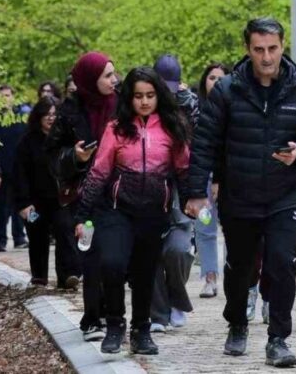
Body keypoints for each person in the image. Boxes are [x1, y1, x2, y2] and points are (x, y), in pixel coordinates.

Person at [184, 17, 296, 367]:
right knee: (241, 267)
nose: (266, 57)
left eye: (273, 49)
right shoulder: (227, 90)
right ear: (248, 50)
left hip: (284, 195)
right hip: (240, 195)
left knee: (281, 264)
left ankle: (278, 339)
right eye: (259, 49)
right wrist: (196, 192)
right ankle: (237, 322)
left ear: (282, 47)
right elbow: (204, 142)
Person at [73, 67, 191, 355]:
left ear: (158, 96)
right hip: (117, 211)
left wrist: (193, 201)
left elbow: (184, 171)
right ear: (130, 98)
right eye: (138, 96)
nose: (145, 102)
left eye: (150, 95)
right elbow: (99, 172)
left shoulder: (172, 127)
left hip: (154, 212)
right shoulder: (116, 128)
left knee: (144, 273)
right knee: (112, 263)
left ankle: (142, 330)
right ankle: (115, 324)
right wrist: (82, 216)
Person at [46, 51, 119, 341]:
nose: (114, 80)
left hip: (119, 191)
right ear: (90, 80)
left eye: (115, 73)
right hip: (84, 195)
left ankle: (117, 316)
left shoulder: (123, 104)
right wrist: (75, 156)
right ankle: (93, 318)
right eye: (107, 76)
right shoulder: (70, 110)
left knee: (114, 256)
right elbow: (52, 155)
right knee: (91, 255)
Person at [148, 54, 200, 333]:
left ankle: (177, 300)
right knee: (152, 250)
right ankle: (158, 313)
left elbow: (200, 143)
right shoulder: (143, 102)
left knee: (178, 250)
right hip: (149, 185)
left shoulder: (190, 105)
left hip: (181, 186)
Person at [16, 96, 82, 289]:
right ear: (38, 116)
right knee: (37, 234)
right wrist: (23, 203)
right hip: (35, 202)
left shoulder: (66, 139)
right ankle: (39, 276)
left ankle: (68, 275)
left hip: (60, 199)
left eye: (55, 114)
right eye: (47, 114)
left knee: (64, 230)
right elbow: (20, 174)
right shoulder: (27, 142)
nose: (51, 118)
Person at [193, 62, 228, 299]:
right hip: (202, 180)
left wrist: (219, 177)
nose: (215, 81)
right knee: (204, 228)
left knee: (234, 230)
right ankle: (209, 277)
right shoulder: (195, 109)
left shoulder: (234, 108)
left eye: (220, 78)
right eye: (211, 77)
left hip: (228, 178)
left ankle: (234, 276)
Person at [0, 84, 29, 251]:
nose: (5, 99)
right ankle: (1, 239)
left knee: (21, 203)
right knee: (1, 206)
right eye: (1, 96)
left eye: (7, 95)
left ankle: (20, 236)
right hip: (1, 169)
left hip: (19, 168)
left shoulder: (21, 118)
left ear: (13, 96)